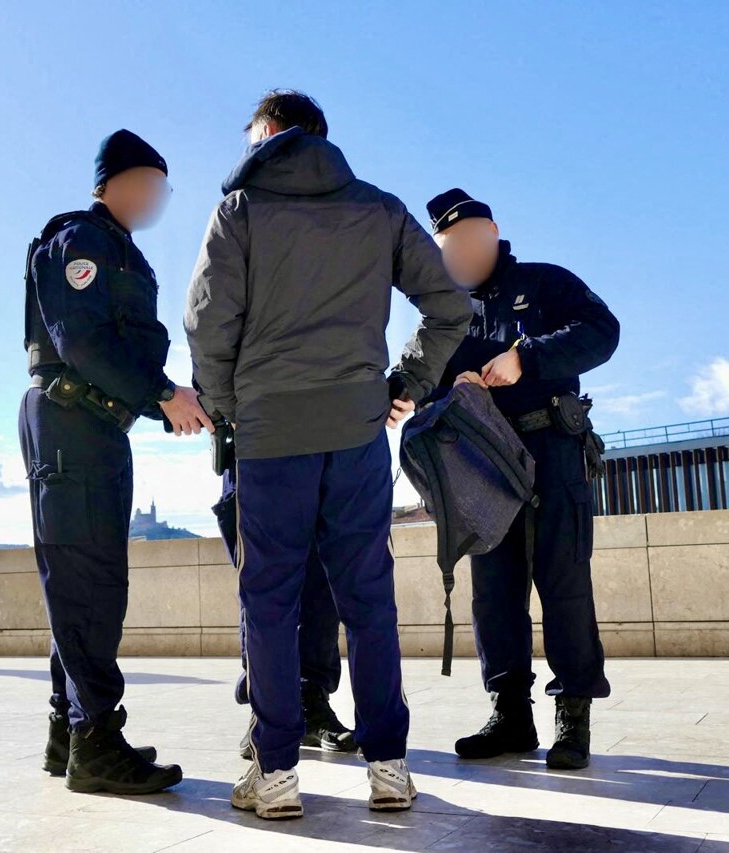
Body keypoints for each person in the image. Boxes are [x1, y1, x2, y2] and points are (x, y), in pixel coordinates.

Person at [185, 90, 471, 820]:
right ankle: (389, 766)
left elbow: (206, 323)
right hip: (355, 433)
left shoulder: (241, 210)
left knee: (271, 602)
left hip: (271, 434)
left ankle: (276, 772)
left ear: (271, 131)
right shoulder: (378, 208)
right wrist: (405, 382)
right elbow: (448, 305)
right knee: (368, 599)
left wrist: (229, 409)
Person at [21, 129, 212, 796]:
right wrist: (163, 394)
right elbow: (82, 339)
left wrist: (167, 401)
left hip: (94, 422)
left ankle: (67, 730)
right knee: (90, 583)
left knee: (84, 578)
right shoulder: (81, 240)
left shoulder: (122, 251)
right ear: (113, 182)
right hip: (73, 416)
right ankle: (96, 740)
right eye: (148, 184)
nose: (157, 198)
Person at [426, 188, 619, 770]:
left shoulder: (547, 282)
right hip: (484, 463)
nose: (461, 254)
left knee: (563, 583)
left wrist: (525, 357)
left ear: (492, 232)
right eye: (448, 247)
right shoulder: (445, 311)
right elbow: (423, 375)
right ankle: (510, 714)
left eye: (469, 240)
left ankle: (572, 713)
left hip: (552, 448)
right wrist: (439, 390)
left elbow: (602, 332)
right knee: (494, 594)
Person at [213, 468, 356, 759]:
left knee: (322, 586)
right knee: (261, 590)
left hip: (320, 450)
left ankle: (311, 699)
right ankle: (265, 713)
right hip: (252, 452)